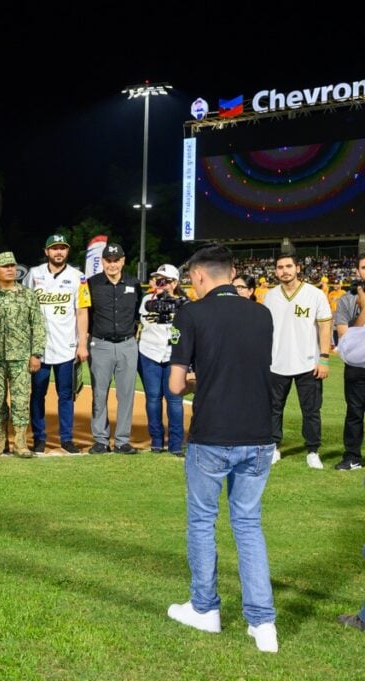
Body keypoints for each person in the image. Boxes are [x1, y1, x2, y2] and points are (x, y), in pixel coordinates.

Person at [166, 244, 278, 654]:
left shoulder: (191, 313)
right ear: (232, 273)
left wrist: (198, 379)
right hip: (258, 434)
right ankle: (263, 625)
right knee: (248, 525)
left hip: (213, 434)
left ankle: (205, 609)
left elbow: (176, 385)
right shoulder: (262, 312)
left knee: (202, 522)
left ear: (198, 277)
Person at [262, 254, 331, 469]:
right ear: (275, 271)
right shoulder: (270, 297)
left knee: (311, 410)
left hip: (308, 364)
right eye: (280, 267)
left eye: (289, 266)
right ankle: (274, 447)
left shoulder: (315, 294)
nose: (285, 270)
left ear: (298, 268)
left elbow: (325, 327)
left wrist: (325, 359)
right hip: (276, 363)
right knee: (273, 409)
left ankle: (312, 451)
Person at [23, 234, 89, 453]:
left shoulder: (78, 277)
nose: (58, 252)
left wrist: (82, 344)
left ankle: (66, 438)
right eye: (54, 248)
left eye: (62, 248)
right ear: (46, 252)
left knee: (66, 395)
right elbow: (25, 307)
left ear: (67, 251)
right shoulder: (34, 274)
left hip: (67, 347)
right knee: (37, 394)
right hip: (39, 347)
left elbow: (81, 311)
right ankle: (39, 437)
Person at [0, 251, 45, 456]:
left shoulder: (28, 294)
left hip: (20, 356)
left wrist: (36, 353)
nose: (10, 269)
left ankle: (20, 442)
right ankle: (0, 440)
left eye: (12, 265)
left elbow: (38, 325)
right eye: (5, 266)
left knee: (20, 400)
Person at [86, 242, 142, 454]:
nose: (112, 264)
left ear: (123, 260)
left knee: (126, 394)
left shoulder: (134, 283)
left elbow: (138, 314)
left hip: (128, 344)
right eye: (108, 261)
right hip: (100, 344)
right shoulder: (92, 284)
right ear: (103, 262)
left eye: (116, 260)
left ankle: (122, 440)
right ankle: (100, 440)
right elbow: (85, 315)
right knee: (99, 394)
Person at [138, 264, 187, 456]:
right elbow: (147, 321)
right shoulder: (147, 300)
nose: (160, 284)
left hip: (173, 357)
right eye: (158, 280)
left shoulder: (184, 303)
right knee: (153, 398)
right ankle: (156, 441)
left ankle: (175, 444)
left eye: (165, 281)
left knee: (175, 400)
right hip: (149, 353)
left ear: (174, 283)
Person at [333, 257, 365, 471]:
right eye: (364, 267)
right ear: (358, 270)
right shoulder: (346, 300)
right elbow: (346, 343)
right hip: (356, 368)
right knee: (355, 412)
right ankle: (352, 457)